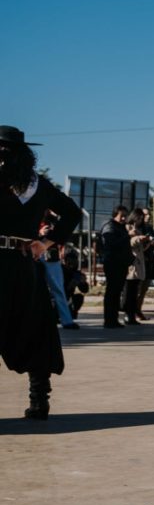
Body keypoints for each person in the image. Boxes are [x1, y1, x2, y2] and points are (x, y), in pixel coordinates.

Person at [0, 125, 82, 419]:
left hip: (23, 264)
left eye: (5, 150)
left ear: (21, 154)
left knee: (34, 328)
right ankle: (39, 401)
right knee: (32, 326)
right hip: (22, 265)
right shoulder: (36, 184)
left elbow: (72, 212)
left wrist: (46, 241)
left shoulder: (38, 185)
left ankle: (39, 401)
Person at [37, 216, 78, 330]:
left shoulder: (55, 220)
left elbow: (64, 236)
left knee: (58, 289)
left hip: (52, 256)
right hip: (34, 255)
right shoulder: (33, 213)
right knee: (34, 290)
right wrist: (40, 233)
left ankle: (67, 320)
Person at [98, 205, 132, 328]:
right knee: (112, 292)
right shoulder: (110, 226)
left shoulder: (121, 227)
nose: (124, 218)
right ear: (115, 215)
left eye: (125, 216)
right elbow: (111, 243)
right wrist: (128, 236)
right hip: (113, 263)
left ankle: (114, 319)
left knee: (117, 292)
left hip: (121, 263)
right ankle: (109, 319)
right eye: (121, 216)